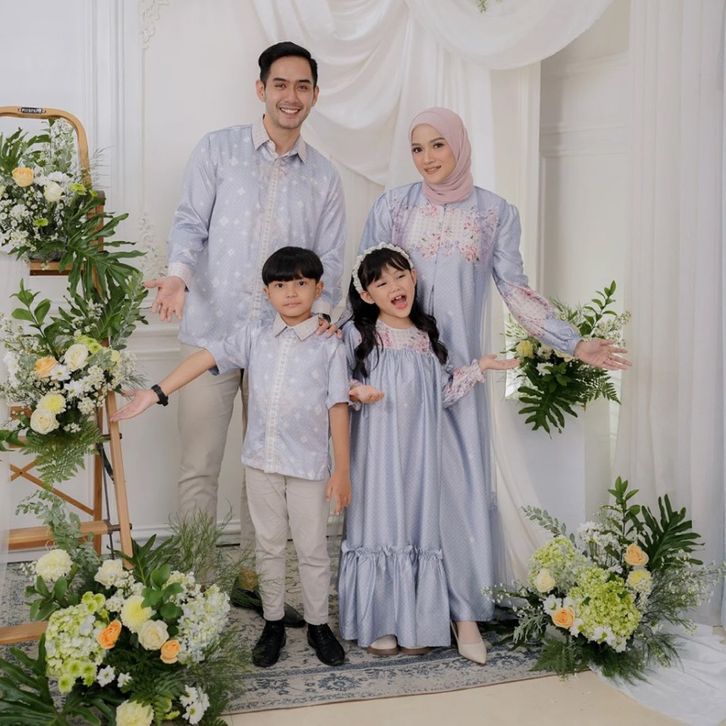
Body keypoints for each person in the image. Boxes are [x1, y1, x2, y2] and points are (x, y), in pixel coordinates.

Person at [358, 107, 630, 663]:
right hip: (395, 373)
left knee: (458, 490)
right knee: (394, 491)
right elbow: (364, 285)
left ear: (459, 145)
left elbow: (515, 290)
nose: (428, 158)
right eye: (417, 148)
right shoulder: (393, 207)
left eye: (438, 145)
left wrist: (574, 342)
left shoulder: (495, 212)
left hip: (461, 370)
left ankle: (463, 614)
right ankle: (393, 611)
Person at [144, 42, 346, 626]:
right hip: (214, 332)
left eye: (303, 86)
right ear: (261, 89)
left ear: (314, 95)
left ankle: (258, 581)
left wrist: (322, 314)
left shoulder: (325, 176)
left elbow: (331, 257)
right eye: (280, 84)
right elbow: (189, 224)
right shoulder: (218, 150)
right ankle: (194, 587)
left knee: (270, 469)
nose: (291, 96)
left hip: (287, 347)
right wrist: (178, 278)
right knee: (199, 464)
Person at [113, 247, 351, 668]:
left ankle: (318, 625)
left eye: (301, 284)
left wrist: (343, 471)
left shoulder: (330, 345)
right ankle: (273, 623)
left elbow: (338, 406)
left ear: (318, 289)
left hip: (309, 467)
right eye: (280, 285)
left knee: (313, 548)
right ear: (266, 292)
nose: (291, 293)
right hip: (261, 463)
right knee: (269, 546)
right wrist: (155, 392)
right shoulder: (254, 337)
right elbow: (204, 357)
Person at [338, 244, 518, 656]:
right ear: (366, 295)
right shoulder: (358, 336)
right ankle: (380, 619)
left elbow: (443, 394)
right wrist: (354, 391)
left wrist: (479, 367)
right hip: (376, 454)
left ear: (414, 278)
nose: (395, 287)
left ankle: (415, 621)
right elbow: (333, 384)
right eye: (381, 283)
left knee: (418, 524)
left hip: (421, 454)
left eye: (401, 276)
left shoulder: (426, 338)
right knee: (379, 522)